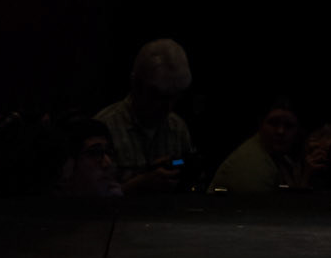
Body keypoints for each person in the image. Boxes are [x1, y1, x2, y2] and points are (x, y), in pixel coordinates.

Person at [95, 39, 195, 193]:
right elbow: (91, 198)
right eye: (159, 96)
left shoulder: (177, 128)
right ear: (135, 84)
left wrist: (175, 163)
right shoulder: (104, 128)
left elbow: (185, 161)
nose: (167, 107)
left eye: (174, 97)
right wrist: (137, 186)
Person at [208, 98, 304, 195]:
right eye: (273, 123)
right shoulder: (251, 165)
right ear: (260, 124)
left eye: (289, 125)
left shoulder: (280, 157)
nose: (280, 131)